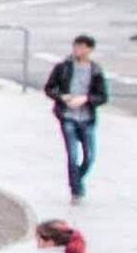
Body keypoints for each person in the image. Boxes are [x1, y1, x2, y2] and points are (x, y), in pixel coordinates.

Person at [40, 33, 111, 195]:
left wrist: (86, 99)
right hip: (67, 116)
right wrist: (61, 97)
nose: (76, 50)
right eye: (75, 46)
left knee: (89, 156)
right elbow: (49, 88)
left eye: (81, 47)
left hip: (87, 117)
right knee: (72, 155)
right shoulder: (63, 67)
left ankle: (76, 179)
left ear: (89, 49)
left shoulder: (95, 70)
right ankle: (76, 189)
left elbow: (102, 96)